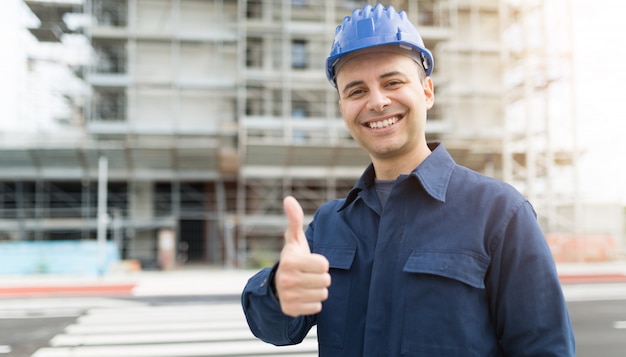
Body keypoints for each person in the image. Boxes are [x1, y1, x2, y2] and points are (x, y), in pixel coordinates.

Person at [241, 3, 575, 356]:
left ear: (427, 91)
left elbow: (545, 347)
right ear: (343, 110)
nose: (378, 101)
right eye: (356, 91)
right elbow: (276, 329)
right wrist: (278, 289)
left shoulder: (500, 213)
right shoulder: (329, 225)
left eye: (393, 82)